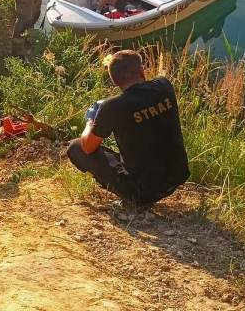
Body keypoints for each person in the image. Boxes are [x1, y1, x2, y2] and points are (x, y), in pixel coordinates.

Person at [66, 50, 189, 206]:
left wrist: (90, 122)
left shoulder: (112, 106)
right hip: (178, 176)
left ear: (114, 81)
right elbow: (142, 101)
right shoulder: (164, 86)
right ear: (142, 71)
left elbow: (87, 147)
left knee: (75, 147)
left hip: (142, 192)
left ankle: (131, 196)